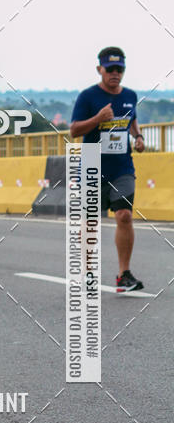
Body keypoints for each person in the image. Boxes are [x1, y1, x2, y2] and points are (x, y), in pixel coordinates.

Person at [71, 47, 145, 292]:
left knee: (124, 215)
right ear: (99, 69)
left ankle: (124, 274)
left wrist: (138, 136)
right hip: (92, 165)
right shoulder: (88, 97)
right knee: (91, 222)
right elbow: (74, 130)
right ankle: (87, 272)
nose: (115, 73)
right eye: (110, 69)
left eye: (119, 69)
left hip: (122, 166)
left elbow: (132, 119)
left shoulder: (130, 95)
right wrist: (97, 119)